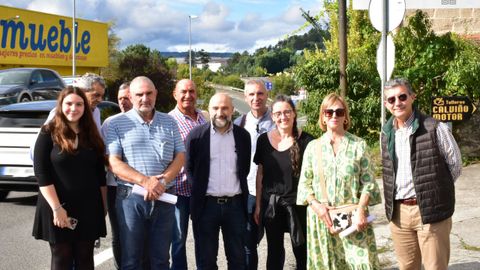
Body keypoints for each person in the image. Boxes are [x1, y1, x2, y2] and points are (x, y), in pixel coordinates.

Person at [381, 78, 462, 270]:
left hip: (430, 211)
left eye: (402, 96)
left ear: (412, 97)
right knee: (407, 267)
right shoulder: (385, 133)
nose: (397, 102)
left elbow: (455, 165)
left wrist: (435, 192)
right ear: (386, 104)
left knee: (435, 266)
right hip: (399, 214)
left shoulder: (435, 127)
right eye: (391, 99)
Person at [106, 76, 185, 270]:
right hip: (130, 198)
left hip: (164, 196)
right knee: (131, 259)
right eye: (139, 94)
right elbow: (113, 163)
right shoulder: (116, 123)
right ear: (131, 97)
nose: (144, 98)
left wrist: (162, 182)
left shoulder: (169, 122)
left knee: (160, 259)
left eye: (149, 93)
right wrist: (145, 182)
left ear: (156, 94)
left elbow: (181, 156)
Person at [297, 93, 382, 269]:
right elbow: (304, 185)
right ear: (323, 116)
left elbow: (368, 183)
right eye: (329, 112)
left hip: (353, 220)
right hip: (323, 221)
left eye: (339, 112)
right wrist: (318, 207)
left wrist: (361, 210)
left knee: (360, 264)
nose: (334, 115)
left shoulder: (359, 145)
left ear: (345, 116)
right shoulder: (314, 148)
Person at [32, 86, 107, 270]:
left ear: (85, 107)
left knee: (85, 258)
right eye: (69, 104)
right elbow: (42, 173)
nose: (73, 109)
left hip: (88, 206)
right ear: (61, 105)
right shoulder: (48, 132)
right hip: (57, 206)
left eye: (79, 104)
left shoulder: (92, 134)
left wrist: (102, 208)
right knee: (61, 258)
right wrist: (57, 209)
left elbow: (100, 175)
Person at [186, 93, 251, 270]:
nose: (220, 112)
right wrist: (200, 192)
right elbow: (189, 169)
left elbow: (244, 169)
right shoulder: (196, 136)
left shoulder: (243, 136)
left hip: (235, 206)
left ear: (232, 110)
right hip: (206, 206)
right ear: (209, 110)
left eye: (224, 108)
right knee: (206, 261)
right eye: (215, 108)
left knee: (237, 259)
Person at [253, 95, 313, 270]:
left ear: (294, 114)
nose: (283, 117)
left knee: (302, 251)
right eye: (278, 113)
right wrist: (258, 205)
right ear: (272, 116)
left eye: (287, 112)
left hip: (300, 206)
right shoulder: (263, 140)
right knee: (274, 252)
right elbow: (260, 175)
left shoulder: (308, 141)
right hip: (272, 205)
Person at [233, 80, 275, 270]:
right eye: (251, 94)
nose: (256, 98)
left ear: (266, 95)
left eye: (260, 94)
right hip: (248, 191)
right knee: (249, 244)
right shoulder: (238, 124)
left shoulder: (278, 120)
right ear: (245, 97)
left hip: (274, 192)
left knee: (276, 245)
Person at [168, 79, 207, 270]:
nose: (188, 95)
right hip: (178, 191)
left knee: (203, 240)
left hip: (202, 191)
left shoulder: (204, 118)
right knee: (178, 241)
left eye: (192, 91)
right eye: (183, 91)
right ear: (174, 94)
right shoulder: (168, 121)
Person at [101, 82, 132, 269]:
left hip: (142, 188)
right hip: (116, 187)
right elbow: (105, 157)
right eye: (120, 98)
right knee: (119, 234)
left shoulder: (147, 122)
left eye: (127, 97)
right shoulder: (110, 123)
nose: (123, 102)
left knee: (142, 235)